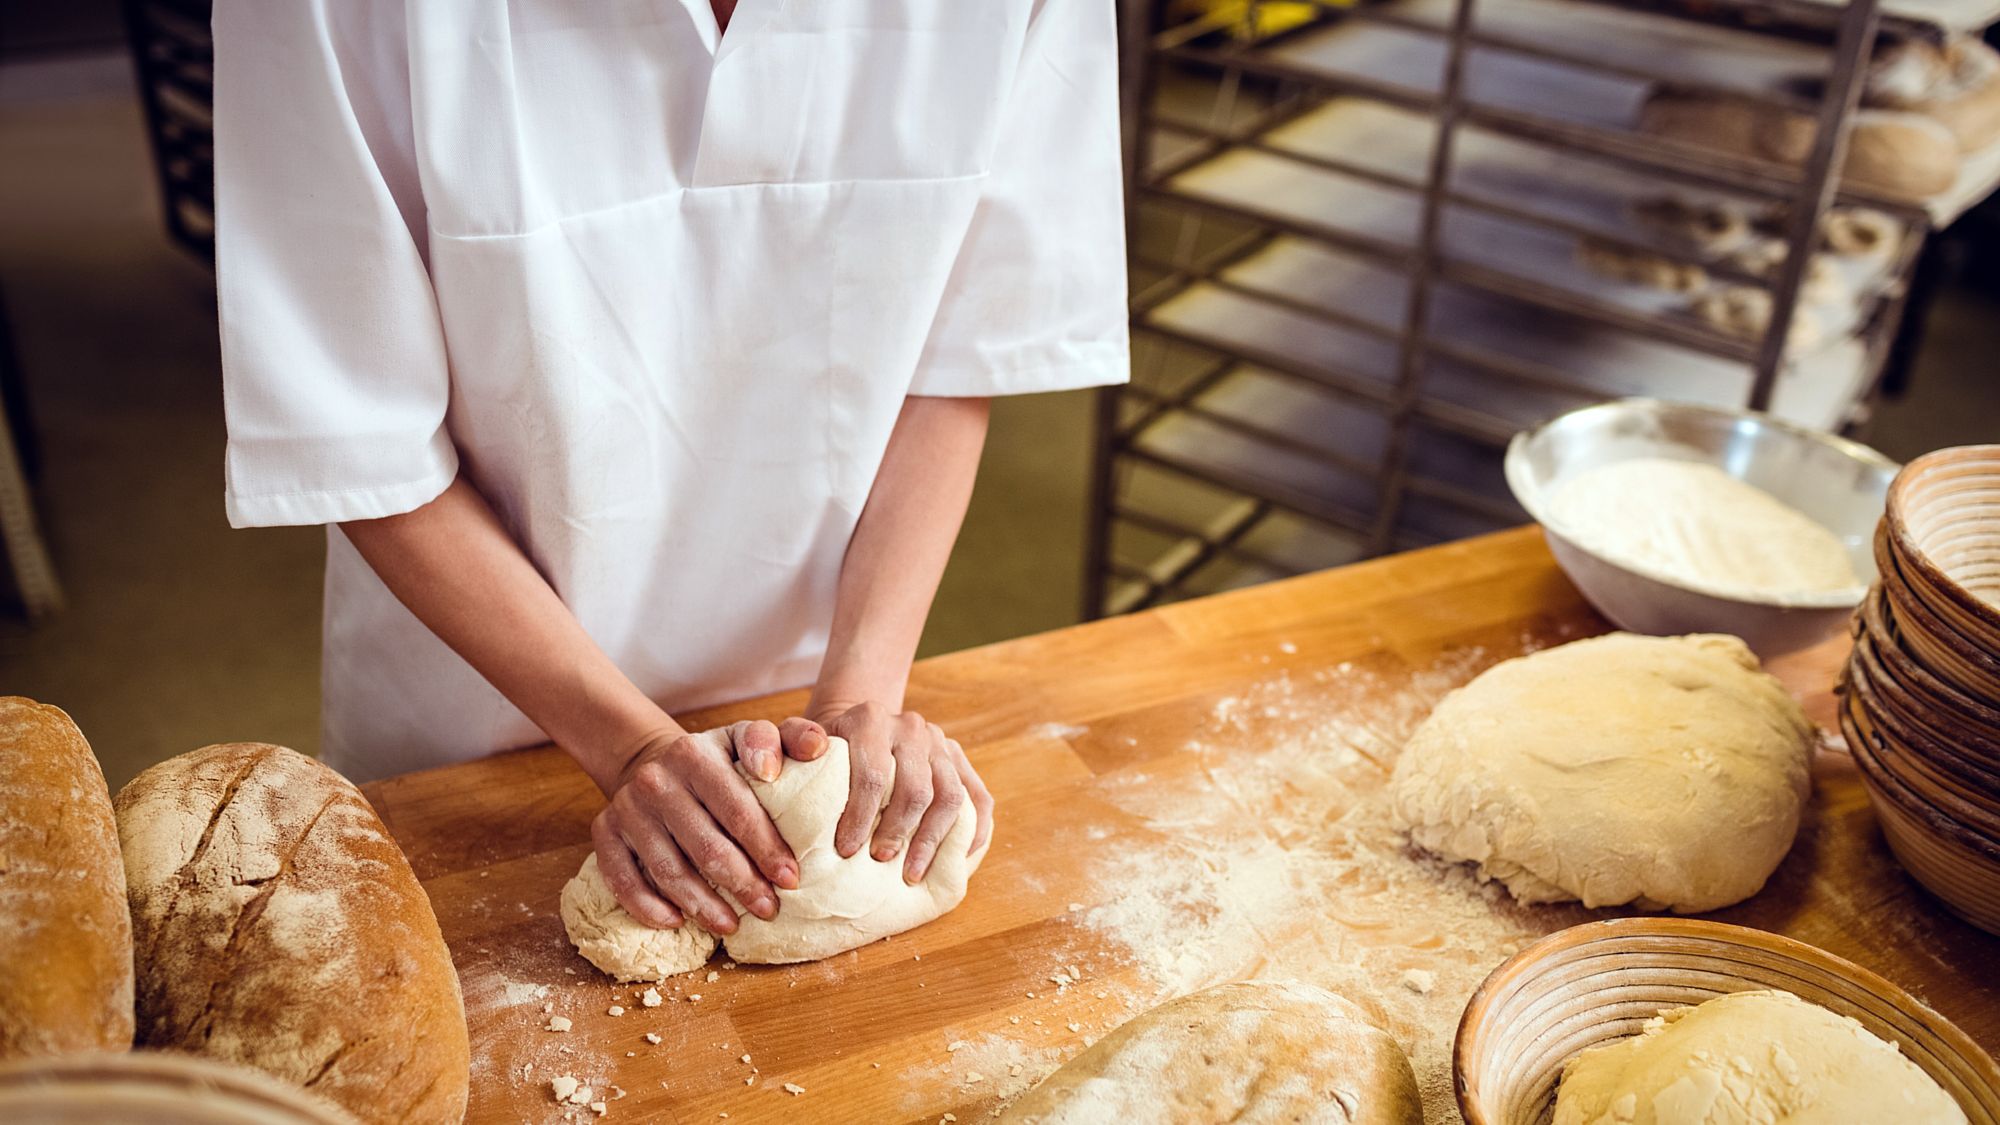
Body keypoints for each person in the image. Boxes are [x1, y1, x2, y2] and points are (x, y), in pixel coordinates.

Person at [210, 0, 1127, 937]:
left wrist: (859, 696)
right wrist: (630, 741)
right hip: (475, 710)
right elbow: (362, 437)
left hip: (804, 677)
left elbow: (956, 356)